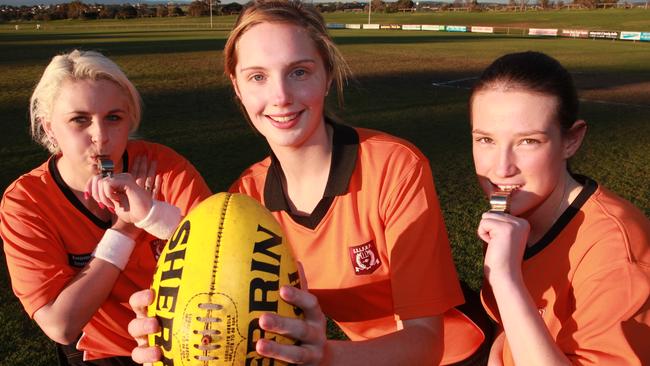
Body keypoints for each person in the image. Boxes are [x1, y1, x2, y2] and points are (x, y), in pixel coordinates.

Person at [127, 1, 490, 365]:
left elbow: (427, 341)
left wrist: (324, 356)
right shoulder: (246, 200)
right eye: (258, 77)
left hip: (459, 353)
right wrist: (174, 333)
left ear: (327, 75)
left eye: (299, 72)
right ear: (237, 86)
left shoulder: (392, 166)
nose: (281, 97)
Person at [0, 50, 212, 365]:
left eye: (114, 117)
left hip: (187, 340)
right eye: (79, 120)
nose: (100, 136)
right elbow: (61, 324)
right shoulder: (27, 201)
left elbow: (222, 255)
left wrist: (152, 214)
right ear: (49, 128)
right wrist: (126, 228)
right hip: (104, 351)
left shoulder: (163, 167)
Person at [470, 51, 650, 365]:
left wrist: (505, 278)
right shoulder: (509, 218)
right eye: (486, 139)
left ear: (571, 140)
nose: (501, 168)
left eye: (528, 141)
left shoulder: (614, 250)